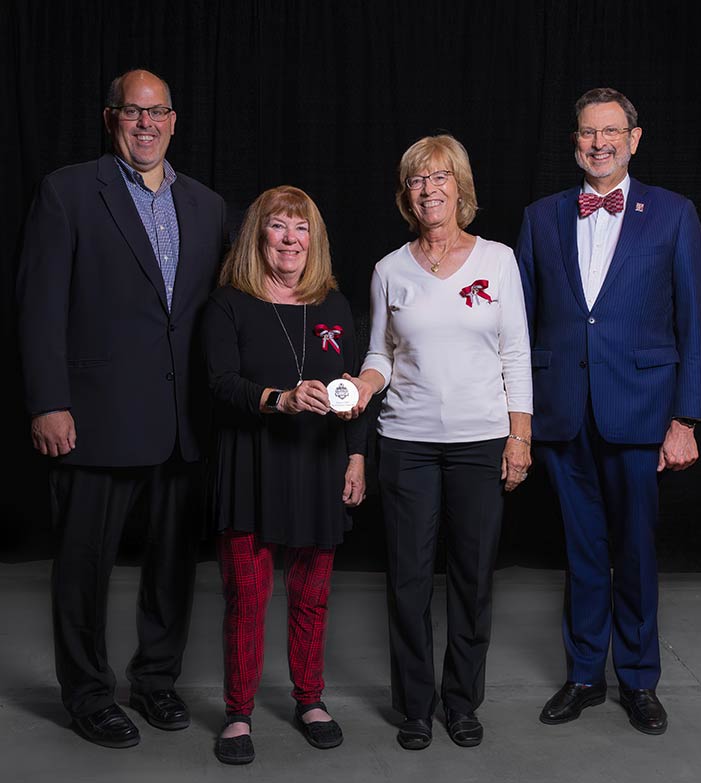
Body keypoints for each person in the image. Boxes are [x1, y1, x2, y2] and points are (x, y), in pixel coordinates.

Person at [16, 69, 227, 748]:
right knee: (83, 564)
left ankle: (157, 679)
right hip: (96, 413)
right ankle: (85, 692)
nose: (145, 124)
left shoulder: (207, 204)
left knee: (172, 562)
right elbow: (39, 304)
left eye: (156, 112)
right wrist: (49, 400)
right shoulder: (70, 191)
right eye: (132, 112)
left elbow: (220, 314)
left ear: (173, 119)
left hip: (181, 417)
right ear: (112, 119)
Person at [516, 87, 701, 735]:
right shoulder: (540, 217)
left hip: (641, 410)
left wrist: (683, 419)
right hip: (562, 409)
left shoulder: (673, 214)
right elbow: (519, 326)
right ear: (572, 141)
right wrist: (518, 414)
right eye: (585, 132)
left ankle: (637, 678)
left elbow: (693, 322)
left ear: (633, 137)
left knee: (632, 550)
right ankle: (581, 675)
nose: (597, 142)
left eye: (609, 131)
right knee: (580, 549)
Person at [344, 135, 532, 750]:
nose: (428, 189)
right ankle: (416, 706)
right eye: (417, 180)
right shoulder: (388, 270)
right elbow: (381, 351)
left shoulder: (499, 261)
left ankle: (462, 702)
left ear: (460, 186)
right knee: (408, 581)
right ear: (407, 194)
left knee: (474, 578)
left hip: (482, 441)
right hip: (407, 442)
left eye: (439, 177)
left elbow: (516, 354)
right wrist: (363, 386)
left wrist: (519, 436)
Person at [202, 186, 367, 765]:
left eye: (301, 228)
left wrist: (356, 455)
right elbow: (219, 384)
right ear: (258, 236)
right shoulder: (229, 302)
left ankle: (310, 700)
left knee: (312, 596)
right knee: (246, 597)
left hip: (319, 464)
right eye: (278, 227)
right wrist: (280, 399)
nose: (291, 239)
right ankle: (239, 712)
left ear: (314, 239)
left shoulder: (335, 306)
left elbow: (352, 388)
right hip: (250, 463)